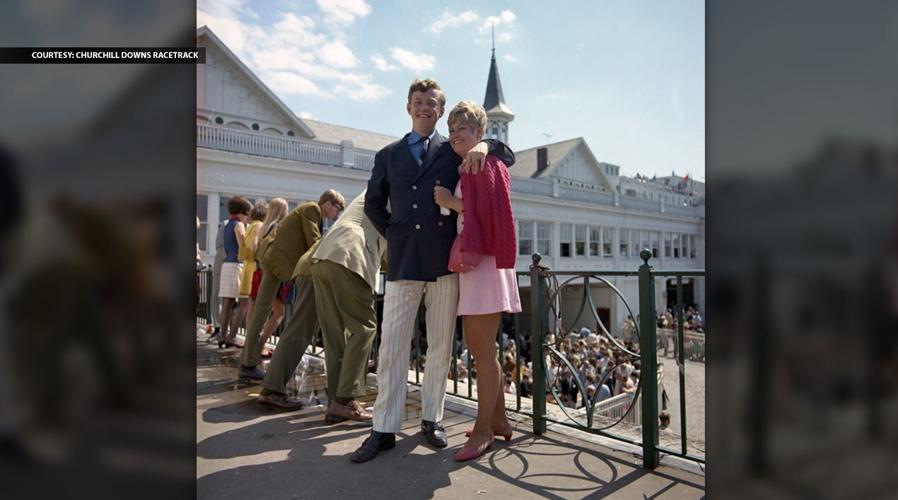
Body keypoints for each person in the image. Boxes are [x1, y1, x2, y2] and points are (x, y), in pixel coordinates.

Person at [352, 79, 515, 463]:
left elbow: (503, 156)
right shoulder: (389, 155)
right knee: (392, 344)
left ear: (441, 111)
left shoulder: (456, 150)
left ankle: (432, 418)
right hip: (405, 261)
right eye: (418, 101)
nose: (425, 107)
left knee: (441, 345)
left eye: (432, 103)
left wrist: (485, 143)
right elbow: (374, 203)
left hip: (446, 264)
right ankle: (384, 427)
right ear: (408, 107)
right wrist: (394, 232)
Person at [433, 100, 521, 461]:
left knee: (481, 349)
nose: (455, 135)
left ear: (480, 133)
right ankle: (498, 419)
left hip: (482, 264)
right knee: (483, 349)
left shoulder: (477, 162)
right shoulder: (481, 159)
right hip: (484, 264)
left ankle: (484, 430)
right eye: (452, 130)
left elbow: (483, 211)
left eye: (462, 130)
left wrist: (449, 202)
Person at [239, 190, 345, 392]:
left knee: (261, 311)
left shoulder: (311, 212)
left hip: (276, 262)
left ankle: (248, 362)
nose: (337, 215)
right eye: (338, 209)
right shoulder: (312, 209)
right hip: (278, 263)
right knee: (261, 312)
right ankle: (248, 363)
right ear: (329, 204)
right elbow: (313, 241)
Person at [304, 190, 386, 424]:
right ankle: (345, 399)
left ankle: (336, 403)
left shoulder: (373, 189)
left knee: (334, 335)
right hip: (350, 255)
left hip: (324, 257)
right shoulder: (398, 188)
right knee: (364, 329)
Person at [217, 196, 251, 348]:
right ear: (241, 213)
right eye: (247, 214)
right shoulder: (239, 225)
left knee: (227, 303)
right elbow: (243, 247)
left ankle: (222, 336)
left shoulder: (226, 225)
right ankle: (232, 336)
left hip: (227, 265)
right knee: (243, 303)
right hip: (237, 265)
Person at [232, 200, 267, 349]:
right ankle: (253, 341)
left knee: (251, 305)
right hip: (254, 268)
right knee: (256, 305)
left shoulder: (251, 225)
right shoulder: (259, 226)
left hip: (248, 267)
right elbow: (253, 245)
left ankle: (249, 340)